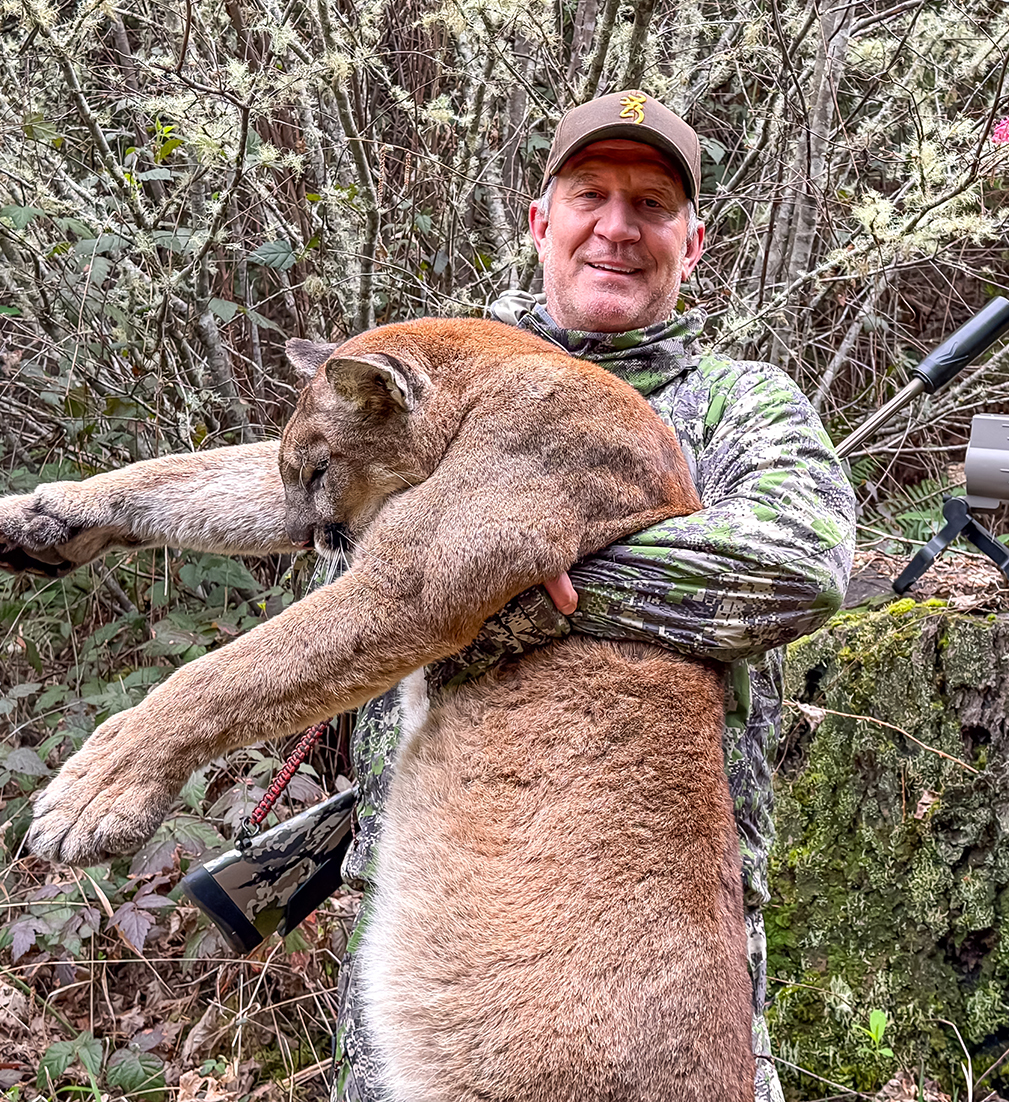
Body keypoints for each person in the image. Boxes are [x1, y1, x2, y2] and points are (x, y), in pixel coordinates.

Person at [331, 91, 857, 1101]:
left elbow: (797, 564)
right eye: (591, 195)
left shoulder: (736, 404)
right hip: (434, 902)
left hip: (645, 933)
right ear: (540, 222)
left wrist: (499, 599)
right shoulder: (431, 394)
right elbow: (353, 583)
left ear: (691, 243)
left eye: (651, 206)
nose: (617, 228)